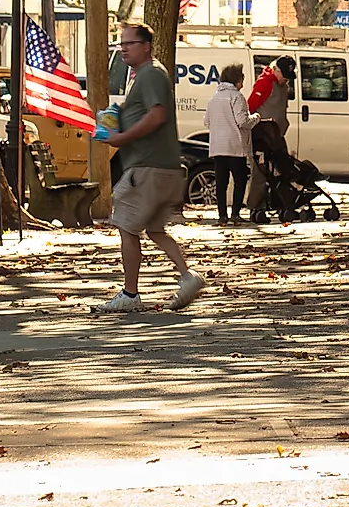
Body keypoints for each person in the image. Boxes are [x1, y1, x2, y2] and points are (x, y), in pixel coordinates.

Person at [92, 22, 205, 312]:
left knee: (126, 227)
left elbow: (157, 116)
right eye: (121, 44)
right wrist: (119, 116)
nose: (123, 49)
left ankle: (130, 295)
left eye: (129, 43)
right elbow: (147, 113)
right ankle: (187, 276)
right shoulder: (147, 76)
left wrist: (120, 137)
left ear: (146, 46)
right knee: (155, 229)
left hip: (147, 168)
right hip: (163, 167)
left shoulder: (151, 74)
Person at [244, 56, 296, 222]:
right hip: (262, 136)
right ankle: (255, 207)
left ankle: (281, 203)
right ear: (276, 70)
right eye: (284, 75)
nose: (286, 79)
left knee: (283, 169)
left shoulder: (283, 85)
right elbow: (250, 106)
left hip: (277, 135)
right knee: (260, 172)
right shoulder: (265, 83)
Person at [203, 64, 251, 224]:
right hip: (235, 145)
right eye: (242, 77)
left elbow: (206, 121)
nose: (243, 81)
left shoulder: (214, 97)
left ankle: (222, 215)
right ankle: (235, 214)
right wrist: (256, 118)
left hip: (217, 146)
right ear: (236, 79)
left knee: (221, 182)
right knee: (240, 179)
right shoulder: (237, 96)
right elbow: (242, 120)